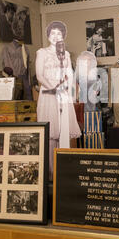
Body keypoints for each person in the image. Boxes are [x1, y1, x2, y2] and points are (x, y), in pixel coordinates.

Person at [36, 21, 81, 180]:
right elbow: (39, 76)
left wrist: (67, 88)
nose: (56, 36)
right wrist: (53, 88)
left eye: (59, 34)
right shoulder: (42, 52)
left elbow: (69, 74)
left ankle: (64, 171)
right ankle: (50, 173)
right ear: (48, 35)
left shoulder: (66, 54)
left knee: (63, 131)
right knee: (50, 134)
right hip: (49, 95)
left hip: (63, 95)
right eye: (53, 33)